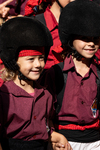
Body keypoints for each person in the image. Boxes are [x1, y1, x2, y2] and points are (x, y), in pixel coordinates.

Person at [43, 1, 100, 150]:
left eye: (95, 39)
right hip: (63, 142)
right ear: (71, 39)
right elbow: (47, 115)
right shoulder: (55, 73)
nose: (91, 44)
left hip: (94, 143)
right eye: (85, 38)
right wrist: (54, 139)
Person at [0, 17, 72, 150]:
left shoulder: (46, 94)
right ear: (14, 62)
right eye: (31, 59)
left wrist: (58, 138)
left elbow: (44, 128)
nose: (38, 64)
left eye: (41, 58)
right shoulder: (4, 96)